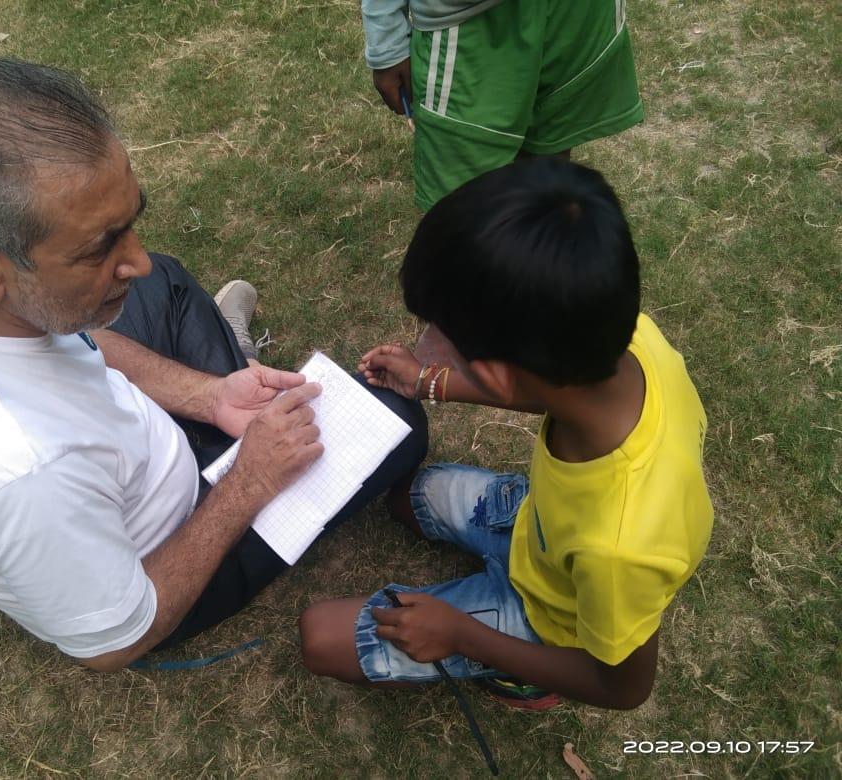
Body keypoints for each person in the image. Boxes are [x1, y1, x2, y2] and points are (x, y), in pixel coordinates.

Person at [0, 58, 426, 673]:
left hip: (109, 462)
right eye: (99, 247)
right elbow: (116, 641)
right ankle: (227, 426)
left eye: (130, 224)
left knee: (164, 284)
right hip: (157, 560)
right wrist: (250, 481)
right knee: (399, 419)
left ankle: (219, 394)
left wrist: (211, 395)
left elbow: (80, 341)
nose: (138, 258)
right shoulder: (21, 472)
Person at [299, 158, 713, 710]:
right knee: (407, 496)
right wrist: (430, 381)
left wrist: (461, 635)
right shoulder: (626, 336)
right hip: (540, 525)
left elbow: (622, 688)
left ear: (495, 373)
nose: (428, 341)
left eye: (437, 334)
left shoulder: (619, 550)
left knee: (320, 637)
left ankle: (530, 673)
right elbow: (544, 387)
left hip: (557, 619)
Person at [361, 0, 645, 211]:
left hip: (578, 12)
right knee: (461, 201)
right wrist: (386, 40)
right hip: (471, 19)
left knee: (549, 160)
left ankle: (537, 262)